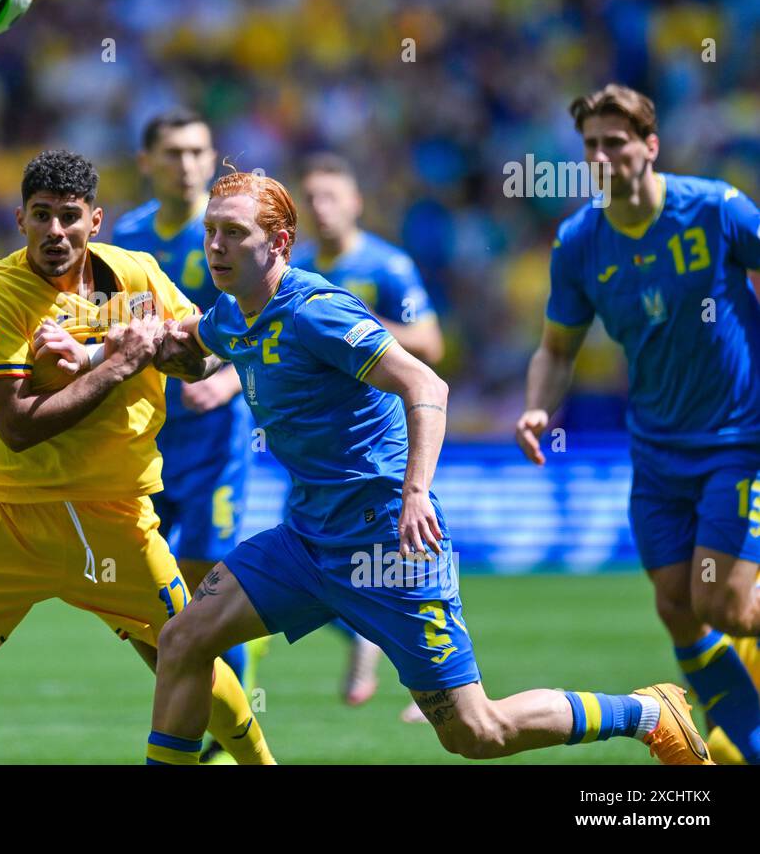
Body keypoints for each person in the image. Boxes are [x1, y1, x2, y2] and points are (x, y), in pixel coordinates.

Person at [138, 167, 709, 765]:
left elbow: (425, 381)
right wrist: (103, 350)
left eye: (233, 232)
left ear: (279, 242)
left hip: (388, 542)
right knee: (183, 637)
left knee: (477, 732)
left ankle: (646, 713)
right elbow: (193, 340)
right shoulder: (236, 311)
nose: (215, 246)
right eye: (210, 232)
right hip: (306, 539)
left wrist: (415, 493)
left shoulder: (316, 311)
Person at [0, 150, 273, 765]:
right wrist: (118, 362)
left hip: (117, 520)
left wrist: (163, 350)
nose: (55, 232)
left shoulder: (139, 276)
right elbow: (17, 426)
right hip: (11, 520)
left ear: (96, 220)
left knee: (191, 654)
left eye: (70, 216)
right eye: (42, 216)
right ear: (20, 219)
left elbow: (201, 353)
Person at [515, 83, 760, 764]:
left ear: (650, 146)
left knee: (724, 606)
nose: (600, 155)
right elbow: (556, 349)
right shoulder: (579, 243)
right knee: (675, 604)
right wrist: (540, 405)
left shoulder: (715, 209)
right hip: (654, 449)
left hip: (736, 439)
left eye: (614, 142)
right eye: (590, 145)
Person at [112, 110, 261, 760]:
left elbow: (269, 319)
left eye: (199, 151)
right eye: (172, 152)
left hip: (214, 445)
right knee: (160, 600)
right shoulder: (128, 235)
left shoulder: (231, 230)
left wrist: (226, 381)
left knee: (208, 592)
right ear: (147, 161)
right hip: (146, 443)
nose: (188, 164)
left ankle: (225, 741)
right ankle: (203, 722)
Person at [299, 152, 443, 716]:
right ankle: (368, 639)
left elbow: (429, 344)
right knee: (309, 560)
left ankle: (434, 682)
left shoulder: (387, 265)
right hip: (316, 447)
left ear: (356, 201)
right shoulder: (299, 266)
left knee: (406, 557)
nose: (321, 208)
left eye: (331, 196)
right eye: (310, 198)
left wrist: (352, 332)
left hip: (381, 441)